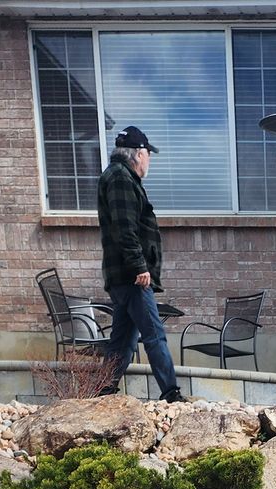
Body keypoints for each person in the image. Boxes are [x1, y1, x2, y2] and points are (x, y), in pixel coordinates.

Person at [97, 125, 183, 402]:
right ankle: (171, 394)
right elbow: (124, 228)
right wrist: (139, 267)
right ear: (137, 153)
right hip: (131, 275)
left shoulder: (119, 176)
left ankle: (103, 390)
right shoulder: (121, 178)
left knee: (123, 339)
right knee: (154, 334)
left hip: (123, 275)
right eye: (148, 154)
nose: (150, 160)